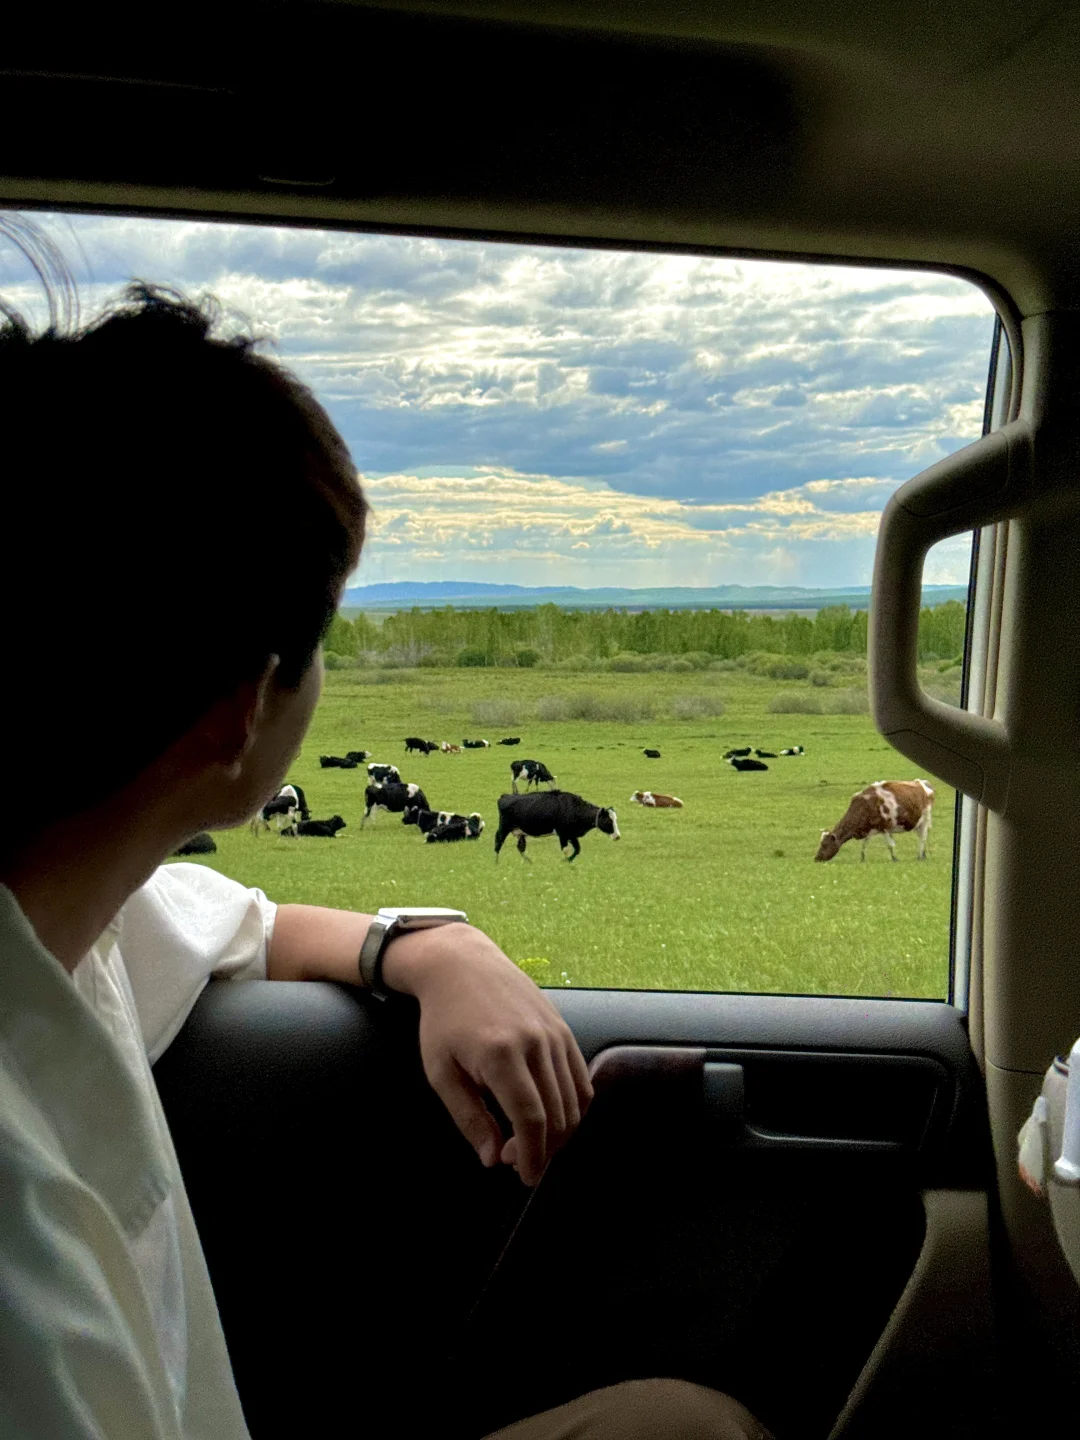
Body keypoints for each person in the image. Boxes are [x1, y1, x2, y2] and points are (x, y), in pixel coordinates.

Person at [0, 245, 769, 1439]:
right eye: (321, 644)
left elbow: (249, 927)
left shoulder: (70, 915)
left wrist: (428, 946)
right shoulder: (19, 1257)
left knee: (679, 1423)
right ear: (240, 712)